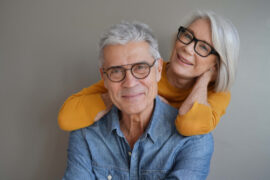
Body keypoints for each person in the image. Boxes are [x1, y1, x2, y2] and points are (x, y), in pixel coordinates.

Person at [63, 21, 213, 180]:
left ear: (158, 70)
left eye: (141, 67)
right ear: (104, 78)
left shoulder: (194, 141)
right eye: (116, 71)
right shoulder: (85, 134)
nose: (130, 83)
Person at [58, 10, 240, 136]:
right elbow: (67, 118)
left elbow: (189, 126)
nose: (187, 48)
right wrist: (122, 95)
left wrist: (206, 77)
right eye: (187, 36)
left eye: (203, 47)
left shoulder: (216, 93)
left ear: (216, 64)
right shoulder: (143, 71)